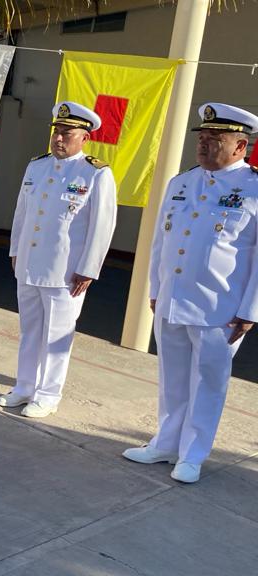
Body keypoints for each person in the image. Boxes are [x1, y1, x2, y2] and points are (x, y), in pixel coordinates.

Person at [122, 103, 258, 484]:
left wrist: (251, 309)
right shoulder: (181, 183)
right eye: (202, 136)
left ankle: (193, 454)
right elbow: (160, 242)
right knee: (173, 378)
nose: (204, 143)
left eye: (215, 138)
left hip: (220, 308)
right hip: (173, 298)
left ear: (240, 146)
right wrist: (156, 289)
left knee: (207, 383)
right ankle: (166, 444)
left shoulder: (253, 188)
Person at [0, 101, 117, 418]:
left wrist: (89, 269)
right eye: (56, 132)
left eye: (67, 133)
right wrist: (15, 250)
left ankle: (48, 395)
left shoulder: (95, 173)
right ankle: (24, 387)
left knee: (57, 336)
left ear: (84, 138)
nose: (59, 138)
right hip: (29, 264)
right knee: (30, 331)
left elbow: (102, 226)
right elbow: (22, 213)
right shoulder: (37, 166)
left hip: (66, 272)